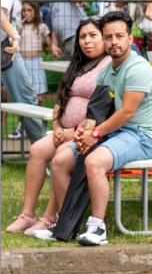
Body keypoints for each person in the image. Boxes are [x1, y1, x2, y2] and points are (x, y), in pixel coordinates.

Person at [34, 11, 152, 246]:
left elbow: (126, 113)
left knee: (94, 162)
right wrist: (84, 133)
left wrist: (94, 134)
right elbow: (98, 108)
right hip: (111, 132)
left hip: (139, 135)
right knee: (60, 160)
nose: (114, 42)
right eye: (109, 36)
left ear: (130, 39)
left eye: (119, 36)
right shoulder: (106, 70)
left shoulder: (138, 68)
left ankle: (97, 228)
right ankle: (66, 224)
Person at [7, 18, 109, 234]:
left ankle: (51, 218)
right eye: (82, 37)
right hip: (64, 131)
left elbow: (103, 108)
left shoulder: (108, 65)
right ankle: (27, 215)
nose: (87, 41)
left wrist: (74, 132)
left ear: (103, 38)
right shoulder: (78, 64)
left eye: (93, 35)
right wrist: (57, 126)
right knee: (36, 150)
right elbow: (60, 98)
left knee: (59, 157)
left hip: (87, 133)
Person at [1, 0, 48, 144]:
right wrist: (16, 36)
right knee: (27, 100)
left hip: (6, 44)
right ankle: (46, 154)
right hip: (7, 48)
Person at [16, 1, 49, 99]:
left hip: (36, 61)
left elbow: (49, 43)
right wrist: (17, 29)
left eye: (29, 10)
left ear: (35, 11)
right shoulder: (20, 27)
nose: (26, 13)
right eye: (24, 11)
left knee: (39, 92)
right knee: (23, 91)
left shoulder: (41, 26)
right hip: (22, 61)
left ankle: (37, 112)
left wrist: (54, 48)